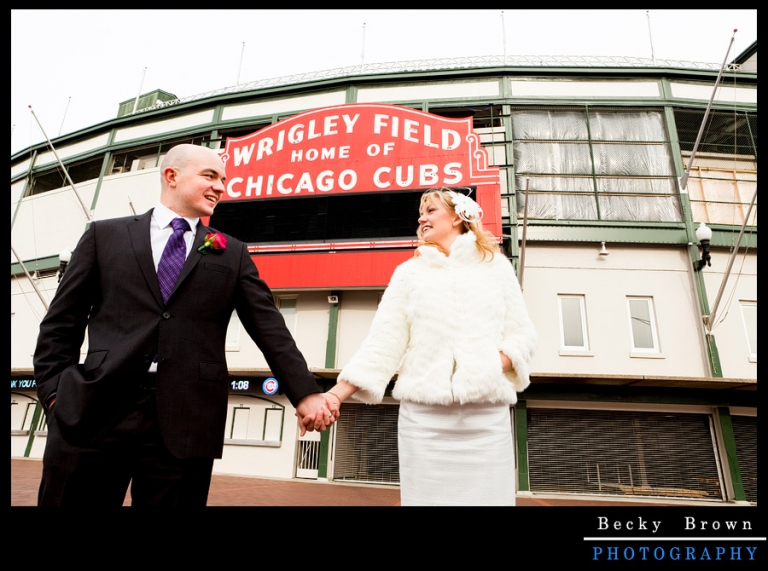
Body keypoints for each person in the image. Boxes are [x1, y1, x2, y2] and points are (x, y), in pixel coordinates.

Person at [33, 143, 335, 507]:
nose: (220, 187)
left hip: (187, 421)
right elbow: (61, 322)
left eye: (223, 180)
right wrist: (56, 395)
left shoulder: (231, 252)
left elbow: (270, 328)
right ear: (172, 176)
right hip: (93, 410)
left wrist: (305, 393)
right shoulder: (103, 236)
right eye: (210, 176)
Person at [321, 187, 537, 506]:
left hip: (485, 421)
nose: (422, 218)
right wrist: (334, 395)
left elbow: (522, 335)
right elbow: (383, 343)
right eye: (420, 214)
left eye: (430, 210)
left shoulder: (497, 267)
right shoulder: (409, 274)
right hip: (424, 424)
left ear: (458, 216)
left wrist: (491, 365)